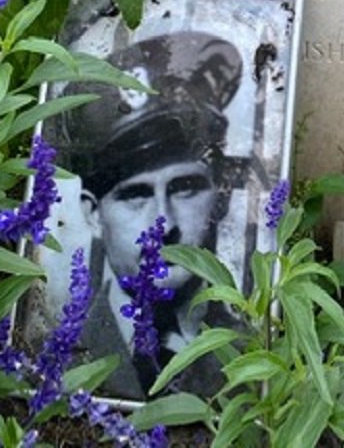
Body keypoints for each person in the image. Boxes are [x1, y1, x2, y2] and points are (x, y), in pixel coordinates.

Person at [55, 31, 246, 399]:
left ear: (220, 197)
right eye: (135, 195)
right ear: (92, 214)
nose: (164, 224)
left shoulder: (255, 355)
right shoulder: (54, 352)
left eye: (184, 187)